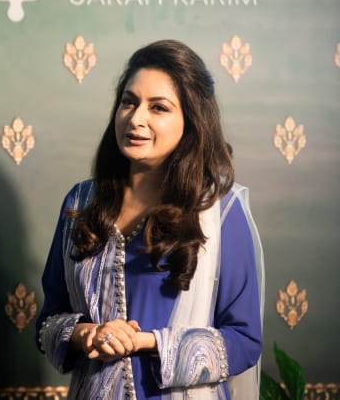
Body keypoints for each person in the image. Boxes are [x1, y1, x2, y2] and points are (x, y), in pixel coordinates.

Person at [36, 40, 263, 399]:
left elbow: (245, 340)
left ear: (191, 121)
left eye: (158, 107)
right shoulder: (80, 202)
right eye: (129, 102)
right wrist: (86, 334)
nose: (136, 118)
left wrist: (146, 342)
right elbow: (48, 322)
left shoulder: (219, 211)